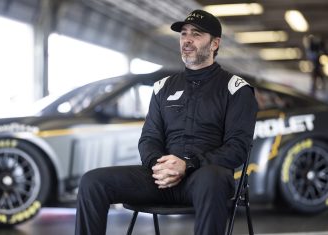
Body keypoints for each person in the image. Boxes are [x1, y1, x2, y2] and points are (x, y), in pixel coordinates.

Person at [75, 9, 258, 235]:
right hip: (161, 178)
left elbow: (237, 148)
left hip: (203, 178)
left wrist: (188, 164)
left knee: (213, 178)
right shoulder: (163, 87)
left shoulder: (235, 88)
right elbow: (149, 138)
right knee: (92, 182)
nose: (187, 40)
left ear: (214, 44)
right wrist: (158, 166)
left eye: (197, 34)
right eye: (183, 34)